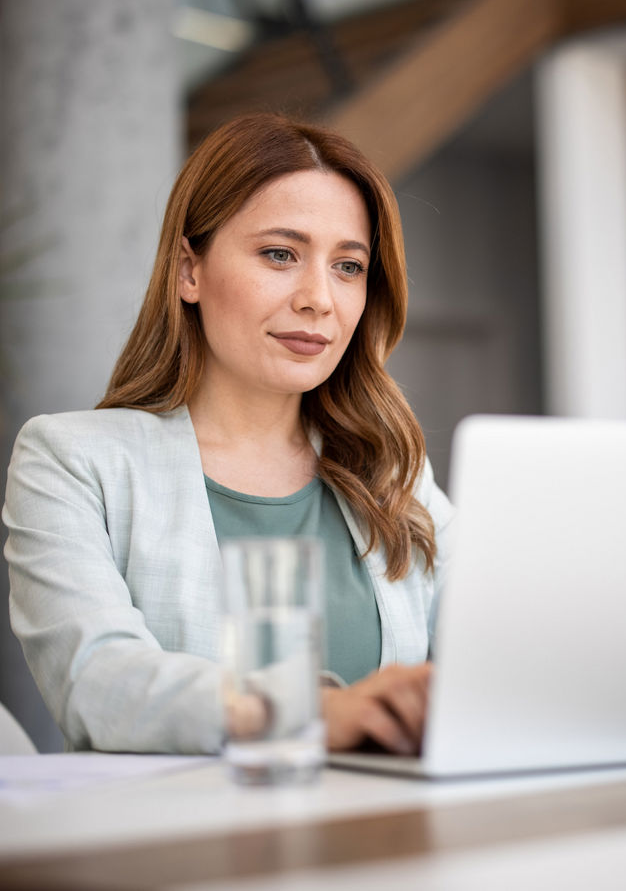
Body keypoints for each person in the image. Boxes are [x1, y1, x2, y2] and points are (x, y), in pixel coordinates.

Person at [2, 113, 453, 755]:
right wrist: (317, 711)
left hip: (385, 835)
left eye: (349, 266)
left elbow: (500, 645)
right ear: (190, 270)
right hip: (184, 843)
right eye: (280, 254)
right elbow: (96, 681)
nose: (319, 298)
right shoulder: (73, 460)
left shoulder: (391, 473)